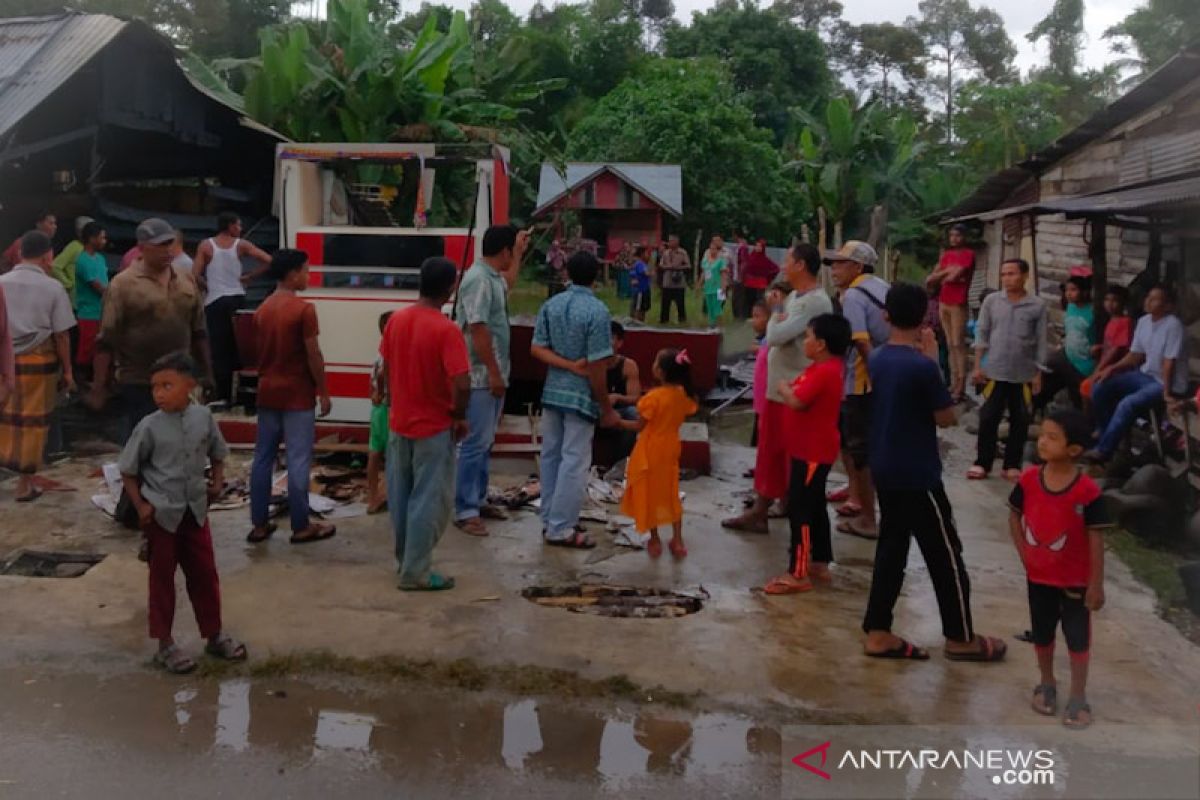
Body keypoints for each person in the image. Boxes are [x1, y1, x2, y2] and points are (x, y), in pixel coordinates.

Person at [862, 282, 1007, 662]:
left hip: (885, 467)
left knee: (892, 548)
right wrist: (933, 363)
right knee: (945, 553)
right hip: (918, 474)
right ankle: (961, 637)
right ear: (925, 318)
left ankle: (877, 630)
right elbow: (945, 418)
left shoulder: (876, 358)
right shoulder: (921, 366)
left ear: (885, 316)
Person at [118, 351, 247, 674]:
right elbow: (128, 471)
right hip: (162, 515)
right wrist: (141, 506)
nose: (159, 393)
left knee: (205, 575)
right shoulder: (149, 427)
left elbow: (218, 452)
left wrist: (217, 482)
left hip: (196, 511)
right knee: (162, 580)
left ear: (189, 385)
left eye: (167, 385)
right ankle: (165, 644)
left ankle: (214, 635)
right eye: (155, 387)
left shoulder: (203, 417)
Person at [1008, 409, 1111, 729]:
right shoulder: (1028, 480)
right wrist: (1025, 553)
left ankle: (1078, 696)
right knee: (1043, 632)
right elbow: (1014, 515)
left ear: (1074, 450)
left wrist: (1096, 584)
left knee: (1078, 638)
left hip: (1075, 580)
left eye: (1053, 437)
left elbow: (1096, 539)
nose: (1043, 442)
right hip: (1038, 577)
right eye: (1042, 434)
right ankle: (1047, 682)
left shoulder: (1088, 492)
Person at [724, 244, 832, 533]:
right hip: (780, 387)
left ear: (801, 265)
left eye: (788, 260)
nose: (784, 265)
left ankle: (766, 509)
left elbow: (774, 335)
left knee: (779, 451)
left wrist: (775, 311)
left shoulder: (815, 302)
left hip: (793, 389)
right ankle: (776, 502)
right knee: (774, 449)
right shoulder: (797, 296)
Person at [380, 256, 471, 591]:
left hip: (399, 422)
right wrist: (459, 416)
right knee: (428, 500)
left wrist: (393, 402)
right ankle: (416, 571)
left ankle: (406, 561)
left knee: (401, 497)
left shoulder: (396, 321)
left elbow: (386, 367)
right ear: (450, 289)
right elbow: (462, 382)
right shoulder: (446, 329)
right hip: (433, 425)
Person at [90, 218, 211, 444]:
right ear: (142, 247)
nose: (168, 250)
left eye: (170, 243)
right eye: (160, 245)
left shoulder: (185, 278)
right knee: (143, 441)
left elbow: (199, 330)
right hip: (140, 379)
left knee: (182, 440)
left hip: (181, 378)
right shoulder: (123, 285)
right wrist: (99, 386)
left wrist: (207, 372)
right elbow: (106, 339)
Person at [246, 249, 336, 546]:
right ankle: (301, 525)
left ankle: (259, 524)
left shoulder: (263, 309)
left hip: (267, 390)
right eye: (306, 271)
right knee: (298, 460)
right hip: (297, 393)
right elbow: (314, 354)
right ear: (293, 273)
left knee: (263, 458)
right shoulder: (303, 310)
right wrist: (323, 390)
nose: (308, 276)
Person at [531, 251, 620, 548]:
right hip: (580, 395)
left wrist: (565, 365)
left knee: (551, 457)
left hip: (553, 390)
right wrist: (606, 406)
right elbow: (596, 366)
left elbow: (537, 349)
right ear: (596, 277)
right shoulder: (597, 311)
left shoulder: (551, 305)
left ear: (566, 272)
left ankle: (550, 519)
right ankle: (562, 527)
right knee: (575, 461)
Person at [764, 313, 850, 595]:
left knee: (800, 508)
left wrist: (784, 389)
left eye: (809, 337)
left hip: (812, 451)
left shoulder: (825, 372)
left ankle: (798, 571)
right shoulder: (821, 368)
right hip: (806, 448)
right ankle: (820, 560)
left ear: (821, 344)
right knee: (813, 505)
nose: (806, 342)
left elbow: (799, 401)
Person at [453, 224, 528, 537]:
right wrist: (494, 373)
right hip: (481, 376)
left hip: (493, 375)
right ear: (503, 251)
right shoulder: (478, 280)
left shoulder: (492, 277)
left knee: (484, 442)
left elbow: (508, 282)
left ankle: (478, 498)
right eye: (514, 249)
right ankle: (465, 508)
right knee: (473, 444)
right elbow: (478, 328)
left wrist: (521, 252)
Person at [0, 231, 75, 502]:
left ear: (19, 254)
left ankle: (17, 473)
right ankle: (24, 483)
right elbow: (62, 334)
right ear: (48, 256)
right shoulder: (53, 287)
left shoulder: (1, 282)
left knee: (6, 417)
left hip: (4, 359)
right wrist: (67, 371)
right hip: (39, 360)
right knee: (33, 422)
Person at [827, 241, 889, 539]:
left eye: (840, 263)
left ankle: (868, 518)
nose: (834, 270)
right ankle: (859, 500)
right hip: (881, 376)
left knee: (859, 448)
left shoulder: (853, 295)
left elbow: (862, 342)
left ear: (858, 267)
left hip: (863, 381)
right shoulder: (882, 287)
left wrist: (878, 376)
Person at [1084, 285, 1187, 464]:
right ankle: (1105, 430)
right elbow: (1135, 355)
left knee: (1128, 403)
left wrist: (1167, 393)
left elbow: (1169, 362)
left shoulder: (1173, 325)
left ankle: (1103, 450)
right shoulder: (1144, 321)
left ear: (1168, 306)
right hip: (1145, 375)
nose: (1148, 301)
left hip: (1164, 382)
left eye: (1155, 299)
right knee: (1100, 386)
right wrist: (1111, 368)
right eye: (1148, 297)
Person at [968, 258, 1047, 481]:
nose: (1007, 278)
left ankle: (1012, 464)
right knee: (988, 418)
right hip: (994, 370)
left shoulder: (1037, 305)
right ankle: (982, 462)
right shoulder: (992, 301)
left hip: (1023, 373)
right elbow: (981, 333)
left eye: (1012, 274)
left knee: (1020, 420)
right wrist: (977, 367)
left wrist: (1039, 372)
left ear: (1024, 276)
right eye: (1003, 274)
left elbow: (1041, 340)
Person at [619, 348, 699, 558]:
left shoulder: (653, 398)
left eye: (656, 362)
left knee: (650, 493)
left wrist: (617, 421)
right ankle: (678, 539)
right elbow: (688, 410)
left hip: (650, 448)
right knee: (671, 491)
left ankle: (654, 539)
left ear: (661, 372)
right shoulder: (683, 395)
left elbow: (639, 425)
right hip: (671, 446)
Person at [192, 212, 272, 403]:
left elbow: (194, 274)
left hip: (215, 300)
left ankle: (222, 393)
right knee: (239, 346)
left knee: (220, 348)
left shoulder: (206, 245)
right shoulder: (241, 245)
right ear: (229, 226)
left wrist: (206, 284)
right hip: (236, 298)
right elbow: (269, 260)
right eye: (238, 225)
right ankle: (243, 394)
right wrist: (250, 276)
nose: (241, 229)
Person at [925, 224, 975, 401]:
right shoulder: (947, 256)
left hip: (958, 303)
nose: (954, 239)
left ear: (964, 237)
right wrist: (948, 271)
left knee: (957, 343)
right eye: (952, 235)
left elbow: (954, 276)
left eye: (958, 235)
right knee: (948, 342)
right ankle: (953, 382)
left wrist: (944, 274)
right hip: (943, 301)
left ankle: (961, 383)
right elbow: (930, 279)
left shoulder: (968, 254)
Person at [1037, 275, 1096, 411]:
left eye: (1073, 290)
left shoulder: (1093, 311)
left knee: (1079, 398)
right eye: (1067, 290)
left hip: (1085, 363)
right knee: (1044, 378)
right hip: (1068, 355)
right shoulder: (1070, 306)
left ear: (1085, 291)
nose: (1068, 294)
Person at [1080, 285, 1132, 405]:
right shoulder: (1112, 320)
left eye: (1114, 300)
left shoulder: (1124, 322)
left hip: (1117, 369)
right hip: (1107, 366)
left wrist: (1098, 369)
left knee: (1087, 387)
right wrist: (1101, 347)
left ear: (1123, 303)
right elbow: (1112, 343)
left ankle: (1092, 421)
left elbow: (1116, 349)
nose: (1110, 304)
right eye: (1107, 300)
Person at [367, 311, 393, 515]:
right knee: (392, 454)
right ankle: (390, 494)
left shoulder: (378, 352)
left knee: (375, 452)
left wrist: (376, 394)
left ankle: (373, 496)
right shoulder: (391, 350)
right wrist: (385, 393)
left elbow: (373, 379)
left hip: (377, 408)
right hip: (388, 407)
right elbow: (384, 374)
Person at [74, 222, 109, 373]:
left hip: (102, 312)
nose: (104, 241)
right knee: (86, 352)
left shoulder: (100, 258)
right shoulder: (83, 260)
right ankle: (78, 385)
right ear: (91, 239)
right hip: (89, 313)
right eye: (101, 238)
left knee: (99, 351)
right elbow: (98, 287)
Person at [51, 215, 93, 307]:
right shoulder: (74, 246)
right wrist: (69, 284)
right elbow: (55, 266)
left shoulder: (91, 249)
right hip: (76, 301)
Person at [607, 321, 642, 421]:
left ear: (619, 343)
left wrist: (617, 398)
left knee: (633, 412)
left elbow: (635, 398)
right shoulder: (590, 363)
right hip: (595, 408)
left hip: (620, 410)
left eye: (611, 338)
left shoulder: (628, 365)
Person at [748, 298, 770, 449]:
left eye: (757, 316)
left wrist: (759, 350)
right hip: (760, 397)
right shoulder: (762, 339)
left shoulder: (771, 339)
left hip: (767, 397)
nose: (752, 320)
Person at [658, 235, 691, 324]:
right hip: (667, 282)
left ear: (677, 242)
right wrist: (668, 267)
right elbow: (661, 265)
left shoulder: (682, 252)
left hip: (679, 283)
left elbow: (688, 265)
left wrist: (678, 267)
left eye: (672, 241)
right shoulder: (666, 253)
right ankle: (664, 321)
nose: (670, 243)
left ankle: (682, 320)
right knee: (665, 304)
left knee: (680, 304)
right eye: (669, 241)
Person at [699, 235, 729, 327]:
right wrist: (699, 284)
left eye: (714, 249)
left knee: (718, 308)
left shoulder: (722, 259)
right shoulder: (706, 260)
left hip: (719, 287)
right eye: (711, 249)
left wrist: (723, 287)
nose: (712, 251)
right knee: (710, 307)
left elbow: (724, 275)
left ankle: (720, 327)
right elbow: (704, 273)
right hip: (708, 287)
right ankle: (711, 325)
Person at [741, 239, 779, 313]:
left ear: (763, 248)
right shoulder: (750, 257)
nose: (758, 248)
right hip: (749, 283)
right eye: (756, 246)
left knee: (759, 301)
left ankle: (758, 315)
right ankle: (749, 315)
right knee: (749, 300)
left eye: (760, 246)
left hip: (760, 284)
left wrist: (768, 278)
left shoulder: (765, 260)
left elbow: (776, 269)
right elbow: (745, 269)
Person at [629, 246, 652, 322]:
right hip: (641, 290)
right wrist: (651, 273)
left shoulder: (642, 264)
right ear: (642, 254)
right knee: (639, 308)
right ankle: (637, 322)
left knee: (643, 307)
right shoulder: (640, 264)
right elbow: (646, 273)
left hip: (644, 289)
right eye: (646, 253)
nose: (648, 255)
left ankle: (640, 322)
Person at [731, 232, 751, 319]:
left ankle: (740, 315)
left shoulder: (743, 248)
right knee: (735, 296)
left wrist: (740, 275)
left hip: (739, 276)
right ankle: (736, 314)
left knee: (739, 296)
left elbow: (744, 262)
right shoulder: (738, 247)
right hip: (735, 275)